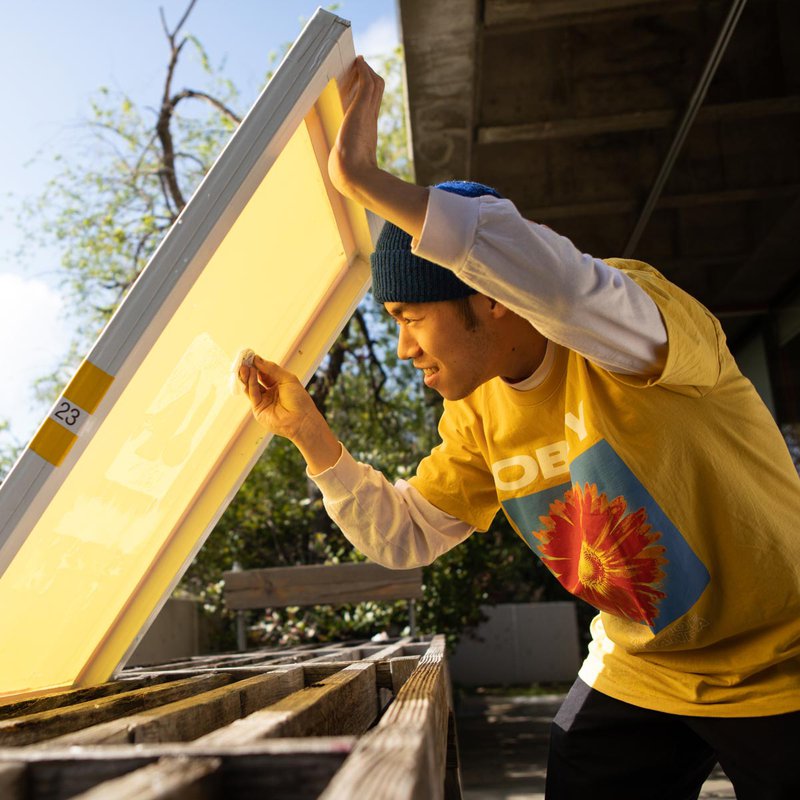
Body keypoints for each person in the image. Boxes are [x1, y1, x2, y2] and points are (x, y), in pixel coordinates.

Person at [239, 57, 800, 799]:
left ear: (493, 298)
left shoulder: (639, 323)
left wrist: (368, 182)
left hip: (783, 661)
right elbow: (404, 535)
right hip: (645, 670)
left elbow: (560, 286)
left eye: (412, 319)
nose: (405, 348)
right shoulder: (475, 415)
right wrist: (309, 432)